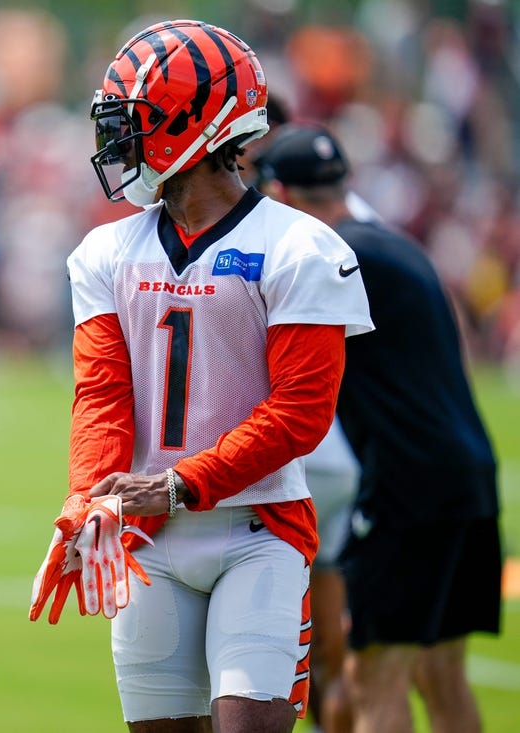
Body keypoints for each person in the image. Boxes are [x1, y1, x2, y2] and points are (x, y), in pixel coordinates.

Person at [30, 19, 373, 733]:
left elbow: (301, 412)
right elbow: (101, 395)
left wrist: (179, 482)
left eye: (134, 119)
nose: (117, 139)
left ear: (193, 121)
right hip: (148, 538)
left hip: (259, 529)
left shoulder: (301, 247)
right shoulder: (106, 251)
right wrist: (86, 497)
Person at [256, 123, 502, 733]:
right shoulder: (393, 246)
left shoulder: (326, 258)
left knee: (374, 680)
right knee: (442, 676)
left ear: (280, 194)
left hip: (405, 488)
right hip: (469, 476)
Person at [245, 98, 363, 733]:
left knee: (252, 657)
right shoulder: (355, 224)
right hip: (340, 452)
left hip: (291, 455)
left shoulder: (276, 224)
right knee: (332, 657)